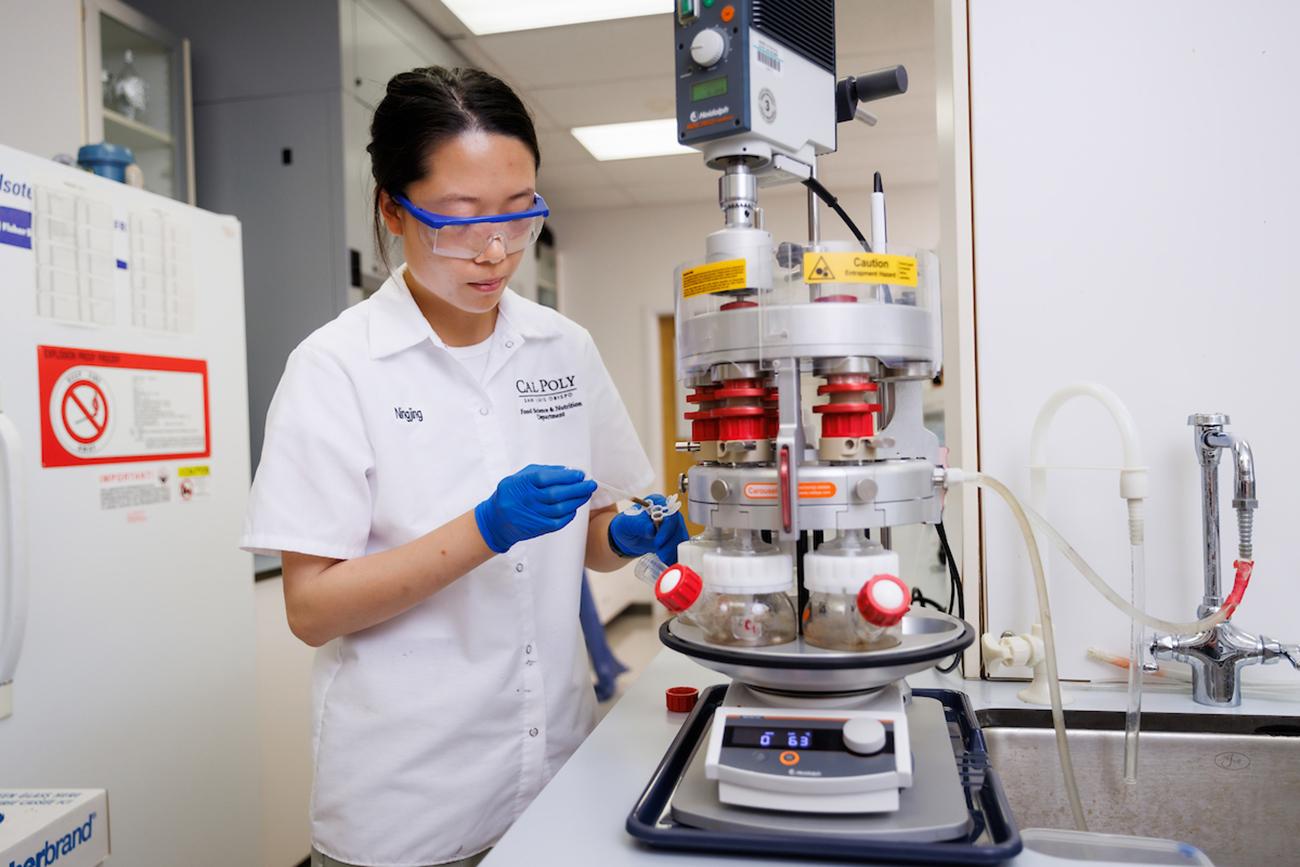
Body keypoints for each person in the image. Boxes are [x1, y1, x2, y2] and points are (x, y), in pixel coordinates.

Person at [241, 66, 687, 867]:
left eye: (521, 217)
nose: (495, 251)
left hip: (556, 768)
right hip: (406, 803)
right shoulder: (336, 368)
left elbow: (591, 539)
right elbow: (310, 608)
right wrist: (484, 529)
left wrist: (637, 529)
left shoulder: (562, 347)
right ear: (391, 207)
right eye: (460, 218)